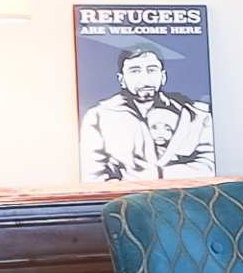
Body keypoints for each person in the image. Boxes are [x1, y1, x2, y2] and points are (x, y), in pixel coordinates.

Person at [81, 44, 213, 181]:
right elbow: (93, 176)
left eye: (151, 70)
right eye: (135, 71)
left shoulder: (196, 115)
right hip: (125, 200)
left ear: (163, 77)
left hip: (183, 198)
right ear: (122, 80)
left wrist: (159, 175)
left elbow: (209, 166)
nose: (145, 78)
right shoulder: (98, 117)